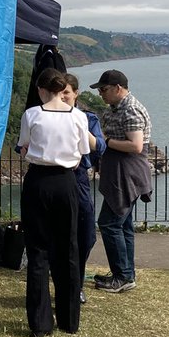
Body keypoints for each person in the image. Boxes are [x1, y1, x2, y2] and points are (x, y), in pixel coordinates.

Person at [15, 68, 92, 337]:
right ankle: (70, 320)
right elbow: (84, 151)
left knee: (38, 251)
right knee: (68, 249)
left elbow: (23, 145)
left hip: (38, 181)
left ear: (41, 89)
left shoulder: (32, 114)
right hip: (66, 181)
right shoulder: (79, 117)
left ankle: (40, 323)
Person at [90, 68, 153, 293]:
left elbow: (136, 146)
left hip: (127, 174)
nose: (101, 94)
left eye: (104, 89)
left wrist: (104, 141)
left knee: (109, 223)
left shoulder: (131, 110)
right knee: (123, 226)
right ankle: (126, 273)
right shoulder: (116, 108)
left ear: (118, 88)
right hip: (120, 173)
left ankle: (122, 276)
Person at [60, 73, 106, 299]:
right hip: (56, 177)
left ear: (76, 94)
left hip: (78, 179)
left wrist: (79, 123)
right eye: (59, 92)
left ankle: (76, 284)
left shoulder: (88, 118)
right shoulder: (48, 115)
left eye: (67, 92)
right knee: (59, 235)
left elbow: (100, 147)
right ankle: (67, 285)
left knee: (86, 234)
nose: (63, 96)